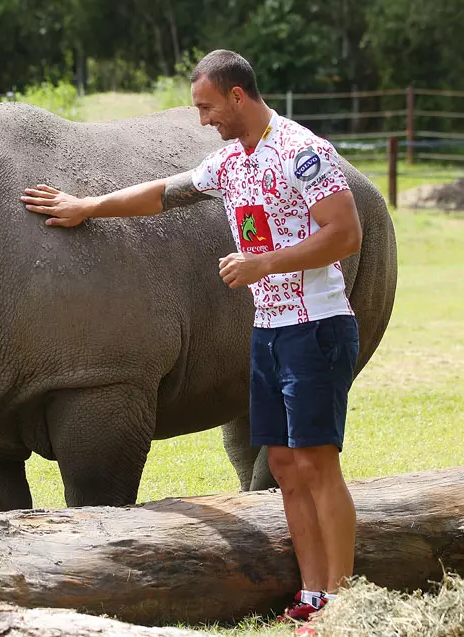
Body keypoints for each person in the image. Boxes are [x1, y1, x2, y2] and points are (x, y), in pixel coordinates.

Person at [21, 49, 361, 629]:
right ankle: (312, 595)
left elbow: (345, 233)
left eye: (207, 107)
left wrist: (265, 264)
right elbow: (163, 194)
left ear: (237, 95)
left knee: (316, 463)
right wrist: (88, 208)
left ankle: (347, 599)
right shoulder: (233, 160)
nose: (202, 120)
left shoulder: (303, 154)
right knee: (280, 461)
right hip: (269, 330)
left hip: (316, 327)